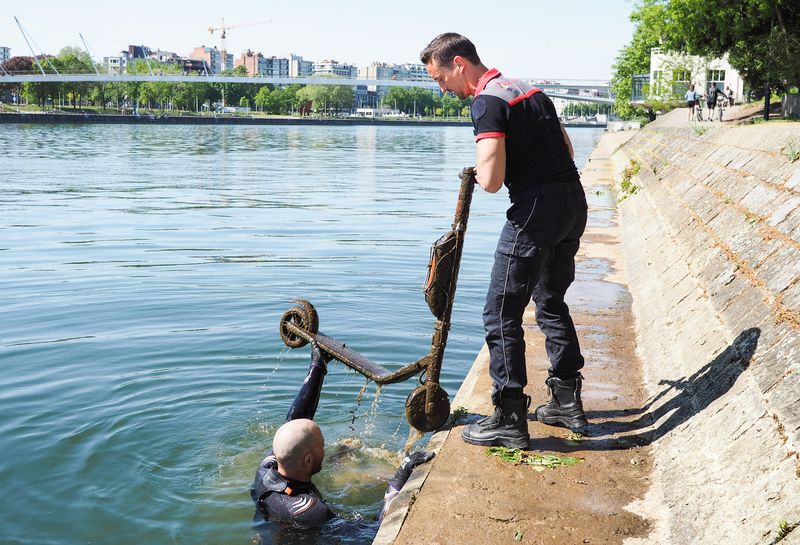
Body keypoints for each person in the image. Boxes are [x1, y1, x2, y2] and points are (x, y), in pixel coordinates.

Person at [420, 33, 589, 449]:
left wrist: (479, 171)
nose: (442, 89)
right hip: (572, 203)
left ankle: (509, 415)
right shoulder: (529, 91)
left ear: (459, 63)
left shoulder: (486, 102)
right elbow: (566, 148)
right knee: (550, 302)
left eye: (440, 78)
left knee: (499, 312)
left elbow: (493, 181)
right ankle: (566, 402)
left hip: (535, 210)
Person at [250, 344, 433, 540]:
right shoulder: (308, 509)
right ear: (308, 460)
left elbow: (295, 424)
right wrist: (404, 470)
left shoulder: (266, 470)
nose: (325, 447)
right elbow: (376, 531)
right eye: (321, 445)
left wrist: (317, 367)